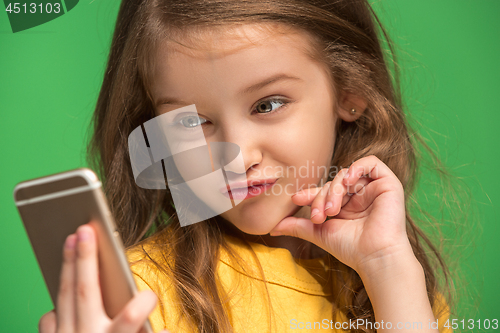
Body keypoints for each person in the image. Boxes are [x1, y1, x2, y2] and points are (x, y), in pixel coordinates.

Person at [39, 0, 457, 332]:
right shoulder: (137, 300)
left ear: (351, 89)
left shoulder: (401, 290)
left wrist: (386, 266)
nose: (236, 156)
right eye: (190, 121)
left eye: (267, 105)